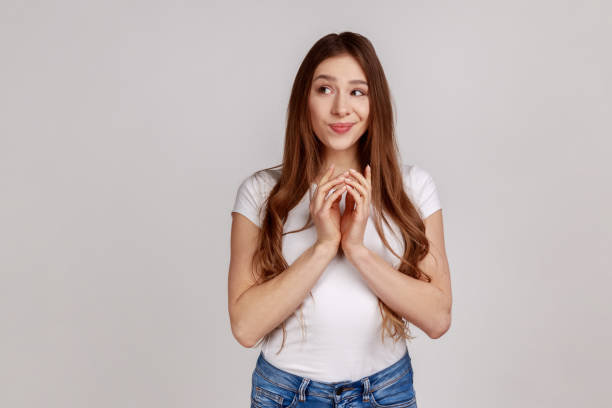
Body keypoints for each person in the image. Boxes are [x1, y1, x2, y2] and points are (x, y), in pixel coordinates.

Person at [228, 31, 452, 408]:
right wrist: (324, 247)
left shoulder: (413, 188)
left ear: (375, 102)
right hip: (286, 395)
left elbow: (437, 317)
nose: (341, 109)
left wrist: (356, 249)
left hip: (385, 392)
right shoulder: (262, 192)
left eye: (357, 91)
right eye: (325, 89)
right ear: (305, 100)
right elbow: (245, 327)